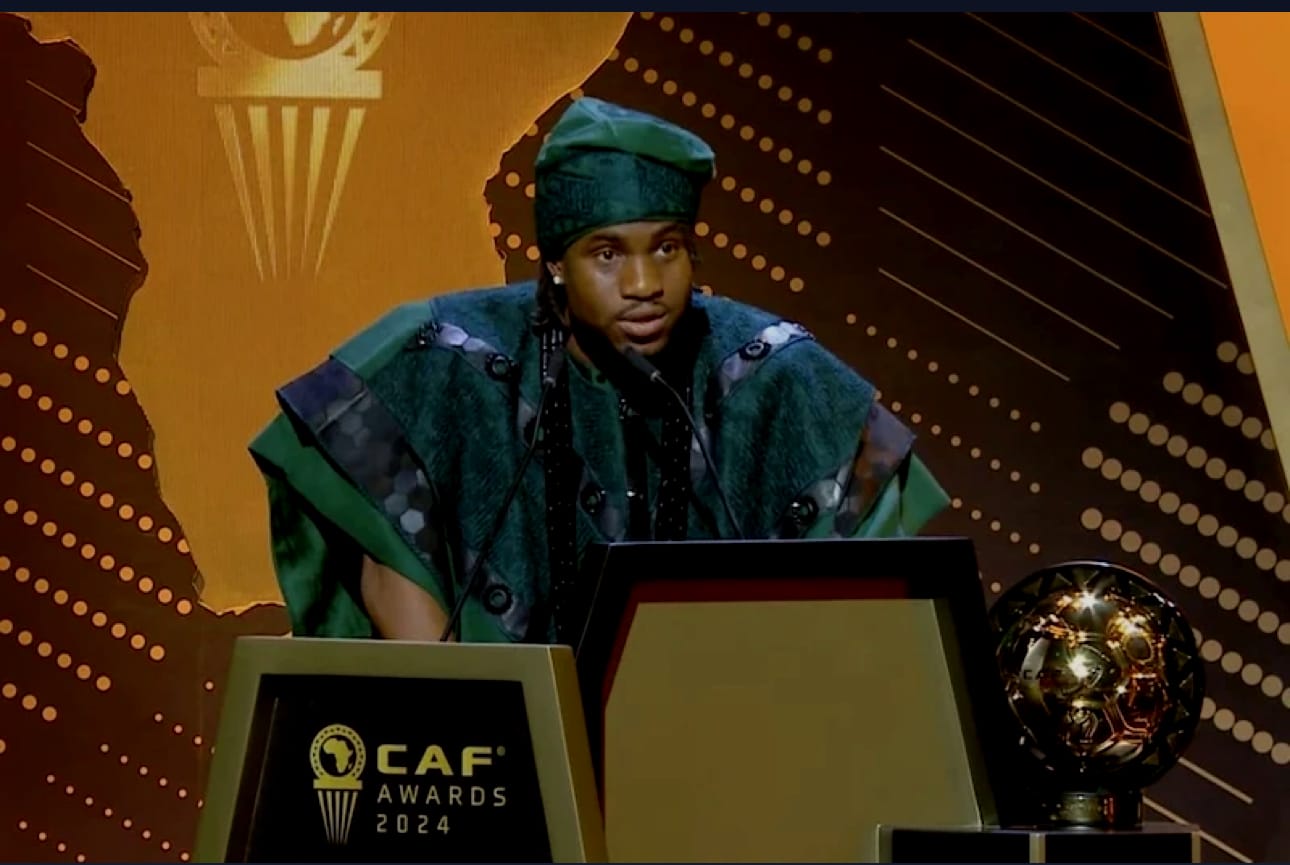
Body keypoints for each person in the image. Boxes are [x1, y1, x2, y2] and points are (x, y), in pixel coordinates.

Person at [249, 97, 950, 645]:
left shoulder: (774, 374)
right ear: (556, 260)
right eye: (608, 254)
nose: (644, 285)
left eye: (667, 248)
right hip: (500, 745)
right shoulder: (444, 359)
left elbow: (867, 616)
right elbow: (394, 577)